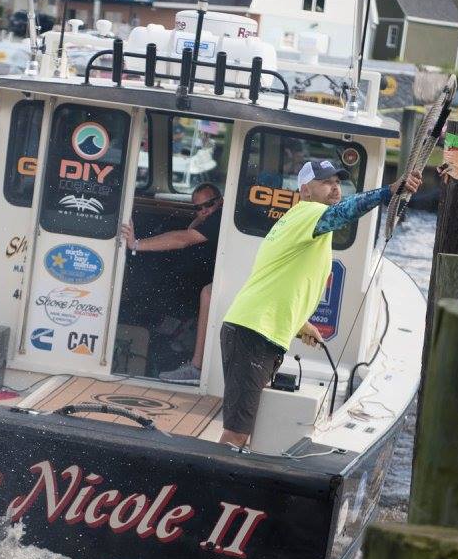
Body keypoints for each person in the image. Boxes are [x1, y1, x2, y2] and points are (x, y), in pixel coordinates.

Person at [218, 159, 422, 451]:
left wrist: (302, 324)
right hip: (253, 334)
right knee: (237, 433)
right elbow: (343, 214)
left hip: (255, 330)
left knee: (247, 428)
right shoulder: (309, 214)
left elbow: (280, 282)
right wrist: (388, 191)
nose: (335, 187)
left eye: (338, 182)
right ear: (305, 190)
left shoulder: (297, 223)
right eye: (327, 182)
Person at [118, 183, 224, 383]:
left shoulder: (219, 218)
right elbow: (191, 230)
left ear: (220, 201)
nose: (204, 211)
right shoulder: (211, 218)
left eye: (208, 205)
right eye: (198, 208)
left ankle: (196, 367)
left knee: (207, 293)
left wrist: (136, 244)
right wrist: (200, 218)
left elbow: (182, 239)